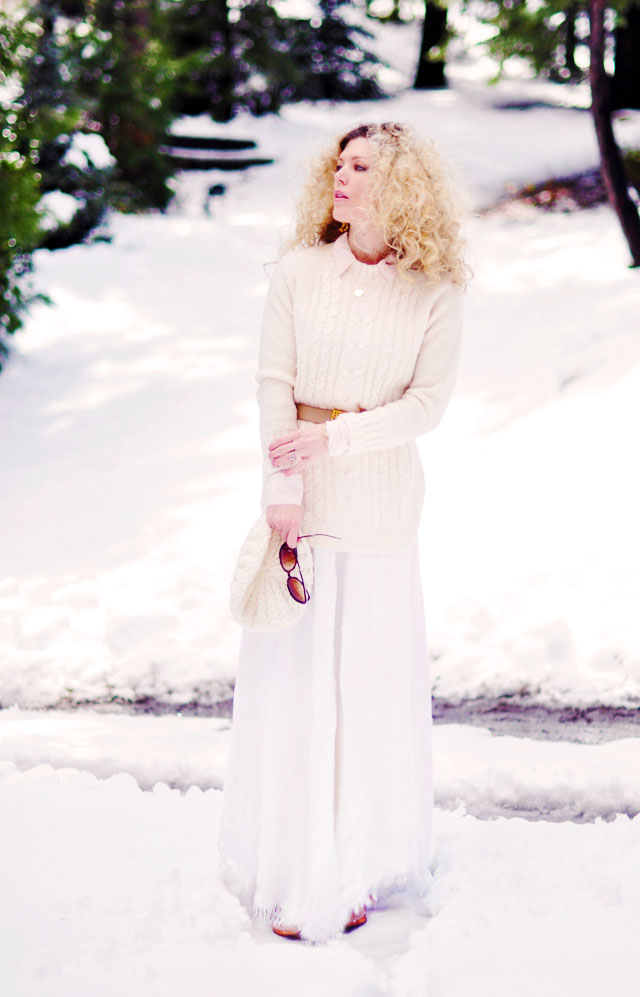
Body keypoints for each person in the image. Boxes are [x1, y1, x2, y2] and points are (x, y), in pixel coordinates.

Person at [218, 121, 468, 944]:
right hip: (301, 510)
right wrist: (283, 485)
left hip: (381, 514)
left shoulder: (436, 288)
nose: (342, 175)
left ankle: (356, 867)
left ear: (401, 185)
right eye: (339, 162)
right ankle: (296, 873)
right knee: (296, 693)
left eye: (362, 165)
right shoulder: (297, 271)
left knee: (363, 693)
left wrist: (338, 439)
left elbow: (427, 406)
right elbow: (273, 385)